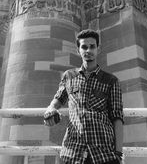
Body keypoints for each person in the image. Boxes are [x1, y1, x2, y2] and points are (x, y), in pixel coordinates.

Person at [44, 29, 124, 164]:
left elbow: (117, 117)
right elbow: (58, 99)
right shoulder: (69, 76)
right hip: (73, 151)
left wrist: (118, 153)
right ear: (78, 50)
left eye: (92, 46)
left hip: (103, 153)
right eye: (84, 47)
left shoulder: (111, 80)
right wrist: (50, 109)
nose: (88, 50)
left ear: (98, 48)